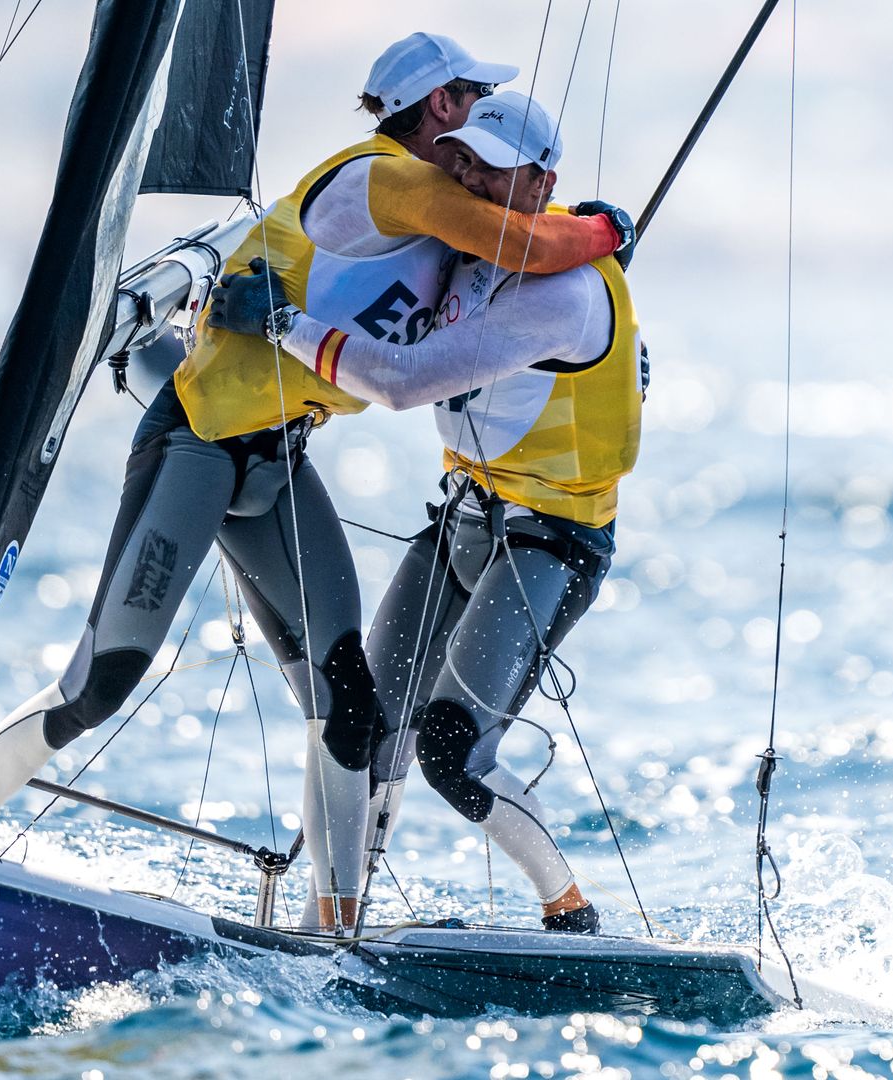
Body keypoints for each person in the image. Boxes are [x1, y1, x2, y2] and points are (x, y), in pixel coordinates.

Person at [0, 33, 631, 936]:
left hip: (277, 463)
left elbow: (516, 275)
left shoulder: (436, 226)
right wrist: (610, 227)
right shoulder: (393, 182)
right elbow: (527, 246)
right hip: (196, 448)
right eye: (466, 104)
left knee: (350, 707)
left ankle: (327, 930)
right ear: (442, 109)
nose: (469, 147)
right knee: (101, 681)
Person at [208, 91, 643, 933]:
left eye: (495, 168)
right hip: (466, 518)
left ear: (542, 182)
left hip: (551, 543)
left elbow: (402, 383)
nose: (472, 177)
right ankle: (341, 918)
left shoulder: (566, 297)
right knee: (370, 721)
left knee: (451, 753)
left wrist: (283, 323)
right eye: (465, 159)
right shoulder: (473, 241)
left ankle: (570, 910)